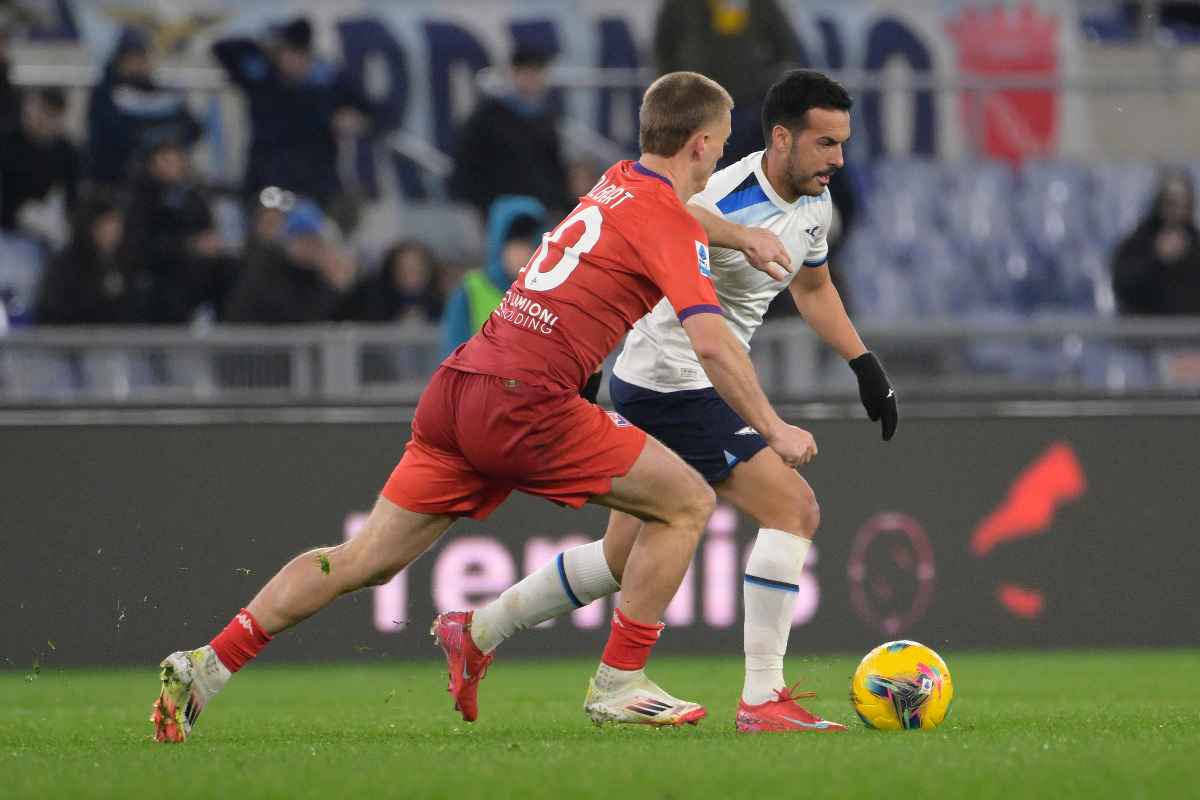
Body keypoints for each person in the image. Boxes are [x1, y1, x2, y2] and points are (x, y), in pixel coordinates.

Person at [150, 71, 818, 742]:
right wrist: (772, 425)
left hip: (460, 387)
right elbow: (711, 342)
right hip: (527, 402)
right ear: (701, 145)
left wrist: (738, 236)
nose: (719, 161)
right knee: (686, 502)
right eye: (723, 144)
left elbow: (680, 211)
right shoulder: (669, 222)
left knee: (363, 559)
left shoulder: (617, 182)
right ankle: (619, 682)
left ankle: (211, 663)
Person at [446, 70, 899, 734]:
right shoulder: (722, 190)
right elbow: (659, 210)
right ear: (782, 138)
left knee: (622, 557)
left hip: (674, 379)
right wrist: (737, 238)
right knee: (793, 509)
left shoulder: (814, 204)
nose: (838, 159)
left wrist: (864, 365)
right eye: (825, 143)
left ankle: (478, 630)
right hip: (675, 378)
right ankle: (762, 699)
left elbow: (814, 289)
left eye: (842, 144)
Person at [211, 17, 372, 206]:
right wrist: (266, 43)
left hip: (317, 180)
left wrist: (355, 119)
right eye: (284, 53)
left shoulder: (330, 81)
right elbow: (223, 48)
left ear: (308, 54)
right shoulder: (264, 78)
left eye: (296, 53)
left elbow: (369, 113)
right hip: (266, 181)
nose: (290, 60)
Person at [654, 0, 799, 166]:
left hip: (749, 104)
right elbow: (664, 48)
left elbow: (785, 47)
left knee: (748, 171)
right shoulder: (679, 5)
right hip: (697, 105)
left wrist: (767, 84)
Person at [449, 45, 573, 220]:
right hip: (499, 206)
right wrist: (481, 201)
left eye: (537, 72)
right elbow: (467, 161)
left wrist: (559, 202)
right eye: (526, 73)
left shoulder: (546, 118)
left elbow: (552, 164)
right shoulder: (488, 116)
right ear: (514, 74)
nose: (532, 79)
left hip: (540, 206)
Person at [120, 131, 232, 323]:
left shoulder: (194, 197)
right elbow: (139, 246)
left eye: (175, 157)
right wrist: (187, 246)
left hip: (193, 276)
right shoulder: (140, 199)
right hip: (156, 281)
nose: (172, 163)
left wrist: (209, 245)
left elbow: (206, 231)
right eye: (164, 158)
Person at [85, 26, 201, 187]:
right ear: (119, 61)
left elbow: (194, 129)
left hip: (163, 184)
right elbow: (107, 138)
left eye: (141, 57)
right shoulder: (104, 95)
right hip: (117, 183)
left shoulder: (163, 92)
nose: (138, 64)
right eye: (131, 58)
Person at [440, 195, 546, 355]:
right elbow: (453, 355)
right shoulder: (470, 290)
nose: (523, 253)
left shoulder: (552, 292)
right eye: (514, 243)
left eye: (530, 243)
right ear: (499, 243)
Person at [224, 199, 355, 323]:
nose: (308, 248)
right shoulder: (266, 272)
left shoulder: (318, 279)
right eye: (302, 240)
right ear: (289, 241)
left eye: (314, 241)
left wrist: (337, 288)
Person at [34, 191, 135, 324]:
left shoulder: (125, 261)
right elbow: (54, 309)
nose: (113, 233)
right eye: (105, 226)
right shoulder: (66, 265)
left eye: (115, 226)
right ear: (89, 227)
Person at [1111, 169, 1200, 315]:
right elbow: (1123, 284)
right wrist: (1155, 257)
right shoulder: (1138, 242)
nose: (1178, 209)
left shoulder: (1196, 243)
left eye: (1184, 202)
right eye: (1171, 202)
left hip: (1189, 333)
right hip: (1147, 332)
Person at [0, 87, 78, 234]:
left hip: (42, 222)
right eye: (30, 109)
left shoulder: (66, 150)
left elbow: (71, 195)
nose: (34, 117)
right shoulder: (7, 141)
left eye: (46, 114)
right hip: (8, 225)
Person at [339, 240, 444, 323]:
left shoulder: (438, 305)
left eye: (417, 268)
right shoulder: (372, 302)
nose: (410, 274)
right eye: (403, 268)